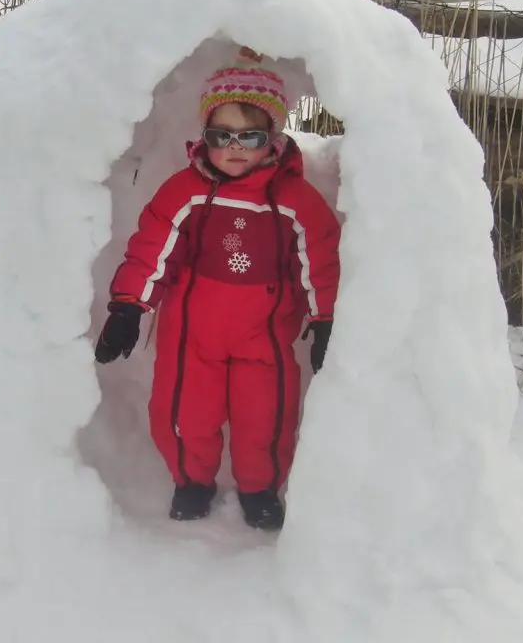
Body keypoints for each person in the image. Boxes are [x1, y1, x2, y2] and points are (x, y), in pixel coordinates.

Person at [94, 48, 341, 531]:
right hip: (193, 334)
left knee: (265, 417)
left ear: (272, 139)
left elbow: (321, 258)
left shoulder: (294, 200)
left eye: (249, 136)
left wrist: (324, 318)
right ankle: (192, 481)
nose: (234, 147)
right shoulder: (186, 190)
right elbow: (152, 247)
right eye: (220, 135)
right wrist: (129, 306)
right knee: (185, 411)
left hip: (264, 337)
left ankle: (260, 489)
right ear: (205, 136)